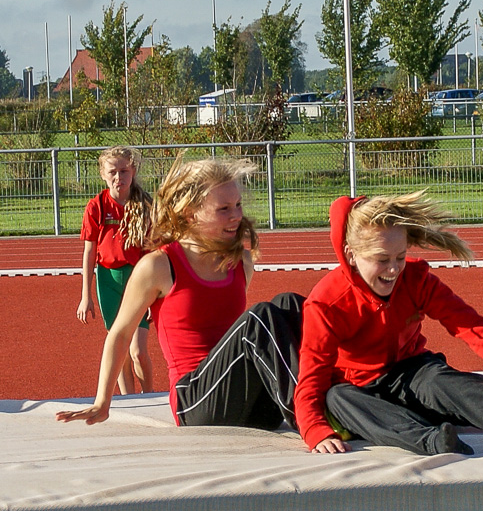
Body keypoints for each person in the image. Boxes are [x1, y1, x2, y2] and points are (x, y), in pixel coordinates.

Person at [293, 191, 483, 456]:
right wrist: (315, 431)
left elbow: (474, 328)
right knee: (337, 398)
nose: (393, 269)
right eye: (381, 260)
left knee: (443, 381)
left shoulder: (416, 280)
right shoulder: (326, 303)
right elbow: (311, 378)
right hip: (361, 390)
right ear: (350, 254)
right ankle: (433, 441)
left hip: (413, 373)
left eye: (400, 257)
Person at [57, 156, 304, 430]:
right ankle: (310, 415)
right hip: (194, 402)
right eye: (223, 208)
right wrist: (103, 401)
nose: (236, 215)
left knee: (290, 306)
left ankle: (337, 398)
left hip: (247, 405)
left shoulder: (240, 261)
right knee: (261, 317)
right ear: (190, 213)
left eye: (237, 205)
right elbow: (121, 332)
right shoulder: (159, 266)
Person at [77, 146, 154, 395]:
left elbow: (155, 251)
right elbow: (90, 252)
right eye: (113, 171)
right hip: (108, 281)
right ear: (103, 174)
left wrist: (156, 295)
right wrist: (86, 297)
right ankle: (129, 401)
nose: (118, 177)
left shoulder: (145, 205)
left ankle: (152, 395)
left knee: (138, 351)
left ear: (133, 172)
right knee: (118, 347)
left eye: (124, 171)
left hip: (139, 280)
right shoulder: (96, 206)